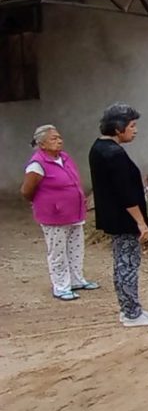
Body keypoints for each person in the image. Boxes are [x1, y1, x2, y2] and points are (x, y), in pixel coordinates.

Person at [88, 103, 148, 327]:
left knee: (124, 262)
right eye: (131, 126)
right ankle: (131, 312)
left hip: (113, 215)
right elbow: (126, 193)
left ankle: (131, 308)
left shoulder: (99, 148)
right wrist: (141, 223)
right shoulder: (114, 154)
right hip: (123, 218)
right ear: (118, 128)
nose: (135, 130)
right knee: (127, 264)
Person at [21, 125, 99, 301]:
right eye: (53, 139)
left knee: (76, 247)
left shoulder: (64, 157)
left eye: (59, 137)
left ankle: (76, 279)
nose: (59, 141)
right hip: (54, 215)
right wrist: (48, 203)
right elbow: (27, 190)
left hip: (74, 211)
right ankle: (61, 286)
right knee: (57, 252)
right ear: (41, 144)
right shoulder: (37, 164)